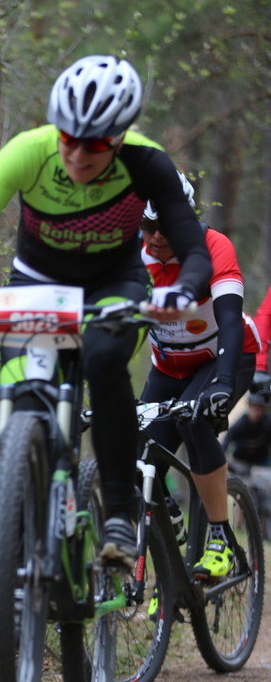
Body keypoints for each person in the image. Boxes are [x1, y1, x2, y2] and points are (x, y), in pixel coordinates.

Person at [0, 54, 212, 569]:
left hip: (114, 284)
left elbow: (195, 250)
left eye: (92, 144)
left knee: (103, 358)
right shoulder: (29, 151)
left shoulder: (147, 161)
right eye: (68, 137)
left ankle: (117, 511)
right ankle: (18, 499)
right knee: (22, 382)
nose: (76, 152)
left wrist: (180, 291)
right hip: (39, 283)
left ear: (117, 138)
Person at [139, 173, 259, 579]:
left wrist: (224, 383)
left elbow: (229, 319)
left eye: (163, 227)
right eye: (146, 225)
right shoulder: (136, 256)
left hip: (225, 356)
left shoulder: (213, 246)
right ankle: (170, 551)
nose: (153, 237)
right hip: (168, 366)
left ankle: (221, 537)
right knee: (136, 452)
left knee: (194, 420)